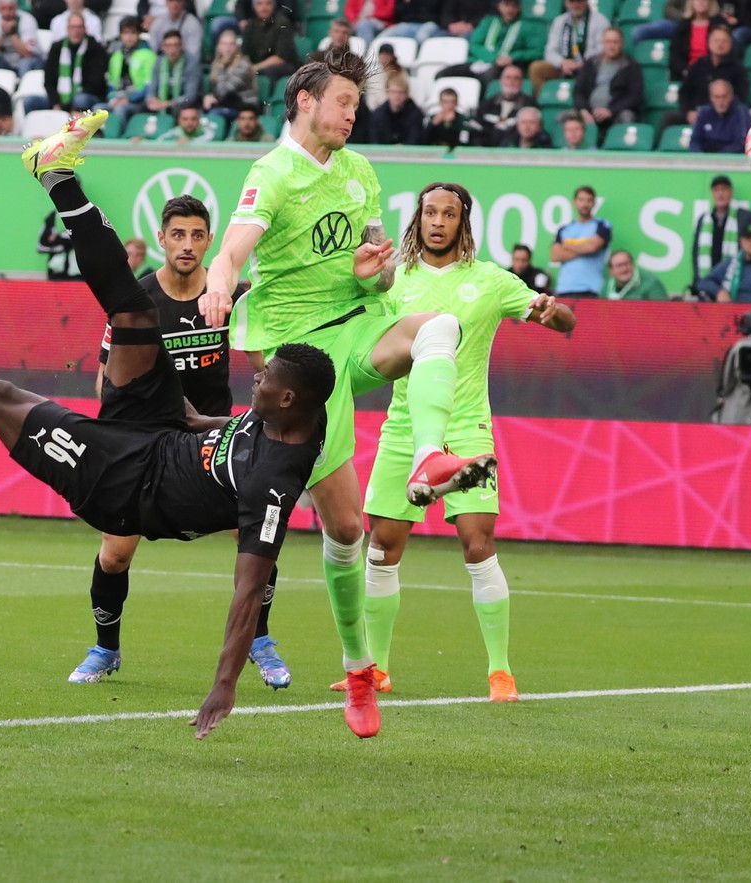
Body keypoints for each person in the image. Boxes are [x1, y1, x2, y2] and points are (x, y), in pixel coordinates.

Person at [0, 125, 335, 742]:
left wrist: (223, 684)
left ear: (289, 399)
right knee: (133, 309)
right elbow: (230, 424)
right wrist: (189, 419)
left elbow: (247, 589)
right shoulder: (302, 414)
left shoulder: (276, 482)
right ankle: (56, 174)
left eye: (266, 377)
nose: (257, 376)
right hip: (163, 427)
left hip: (122, 481)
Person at [192, 52, 501, 739]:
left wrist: (376, 275)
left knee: (438, 326)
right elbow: (236, 245)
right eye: (340, 101)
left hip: (358, 329)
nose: (351, 112)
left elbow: (376, 277)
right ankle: (360, 670)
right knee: (346, 529)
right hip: (301, 363)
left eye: (356, 103)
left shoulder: (361, 173)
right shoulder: (273, 173)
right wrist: (219, 277)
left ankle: (427, 457)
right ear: (303, 101)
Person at [346, 181, 576, 701]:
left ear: (462, 222)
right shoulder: (394, 279)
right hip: (404, 428)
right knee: (382, 549)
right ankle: (376, 669)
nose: (437, 221)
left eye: (448, 213)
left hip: (467, 428)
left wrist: (551, 311)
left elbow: (566, 322)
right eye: (430, 211)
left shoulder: (491, 281)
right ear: (418, 218)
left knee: (477, 545)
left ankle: (500, 671)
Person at [69, 193, 294, 688]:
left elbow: (267, 368)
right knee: (116, 552)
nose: (187, 245)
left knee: (255, 539)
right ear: (162, 239)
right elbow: (106, 380)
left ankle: (260, 641)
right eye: (178, 235)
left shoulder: (231, 295)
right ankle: (105, 649)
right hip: (147, 440)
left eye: (197, 235)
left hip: (216, 438)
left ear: (210, 241)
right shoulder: (138, 300)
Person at [439, 0, 546, 86]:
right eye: (506, 5)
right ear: (500, 6)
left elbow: (537, 51)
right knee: (443, 74)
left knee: (487, 78)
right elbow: (474, 44)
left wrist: (513, 57)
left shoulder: (526, 27)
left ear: (519, 8)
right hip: (481, 62)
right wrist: (494, 58)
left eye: (513, 6)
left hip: (506, 66)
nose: (510, 9)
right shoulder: (488, 22)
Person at [672, 24, 749, 128]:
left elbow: (741, 98)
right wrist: (688, 112)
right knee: (668, 118)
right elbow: (684, 92)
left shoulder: (738, 69)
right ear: (709, 43)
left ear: (731, 44)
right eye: (716, 40)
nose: (720, 44)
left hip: (723, 115)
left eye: (724, 41)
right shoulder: (699, 64)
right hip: (696, 112)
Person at [573, 27, 644, 136]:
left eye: (615, 42)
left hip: (615, 113)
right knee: (564, 117)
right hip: (589, 112)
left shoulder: (631, 66)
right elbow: (578, 91)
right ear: (603, 43)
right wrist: (583, 110)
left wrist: (610, 111)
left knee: (627, 116)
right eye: (608, 42)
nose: (611, 46)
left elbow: (635, 97)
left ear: (622, 44)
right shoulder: (591, 63)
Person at [530, 0, 609, 94]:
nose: (575, 5)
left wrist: (581, 64)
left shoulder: (600, 21)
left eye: (579, 2)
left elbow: (603, 50)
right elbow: (550, 51)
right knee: (536, 69)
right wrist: (562, 62)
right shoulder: (559, 21)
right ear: (566, 3)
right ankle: (544, 103)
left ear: (586, 2)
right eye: (571, 2)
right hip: (563, 67)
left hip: (588, 67)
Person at [37, 13, 109, 114]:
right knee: (31, 101)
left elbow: (95, 84)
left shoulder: (95, 49)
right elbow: (49, 80)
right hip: (59, 99)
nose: (76, 31)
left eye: (79, 27)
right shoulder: (56, 48)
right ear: (67, 29)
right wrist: (56, 103)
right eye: (73, 27)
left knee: (81, 100)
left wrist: (66, 105)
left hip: (87, 97)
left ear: (85, 29)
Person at [550, 185, 611, 298]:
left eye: (589, 200)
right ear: (574, 202)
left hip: (591, 288)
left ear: (594, 203)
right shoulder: (564, 230)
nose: (585, 204)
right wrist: (584, 248)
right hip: (564, 289)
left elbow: (592, 247)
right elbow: (555, 255)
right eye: (581, 200)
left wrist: (567, 245)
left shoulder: (602, 225)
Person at [470, 63, 538, 146]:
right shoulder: (487, 104)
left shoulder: (530, 105)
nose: (511, 81)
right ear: (501, 80)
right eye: (508, 77)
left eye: (516, 78)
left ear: (521, 82)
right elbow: (476, 129)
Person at [103, 17, 156, 119]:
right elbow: (111, 84)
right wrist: (112, 99)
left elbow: (149, 86)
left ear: (139, 34)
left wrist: (130, 100)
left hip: (139, 101)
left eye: (133, 33)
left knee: (121, 110)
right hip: (119, 98)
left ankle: (117, 135)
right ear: (120, 35)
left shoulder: (148, 55)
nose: (129, 37)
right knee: (97, 109)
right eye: (126, 33)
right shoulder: (116, 56)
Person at [691, 174, 739, 289]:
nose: (720, 194)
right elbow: (696, 253)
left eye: (724, 189)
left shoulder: (741, 217)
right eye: (716, 190)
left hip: (734, 282)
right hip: (707, 282)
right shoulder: (703, 219)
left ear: (731, 192)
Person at [242, 0, 300, 92]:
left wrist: (255, 67)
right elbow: (244, 54)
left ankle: (271, 102)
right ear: (254, 7)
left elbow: (280, 58)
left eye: (268, 3)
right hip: (259, 66)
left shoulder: (283, 23)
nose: (264, 8)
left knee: (270, 71)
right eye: (260, 4)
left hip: (285, 67)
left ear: (273, 6)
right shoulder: (250, 26)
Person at [144, 31, 202, 118]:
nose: (172, 49)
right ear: (163, 47)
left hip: (186, 106)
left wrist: (168, 104)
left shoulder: (192, 63)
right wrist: (151, 99)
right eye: (168, 45)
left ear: (182, 46)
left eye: (176, 45)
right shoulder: (159, 62)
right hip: (162, 104)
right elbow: (152, 86)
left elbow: (190, 96)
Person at [0, 0, 45, 76]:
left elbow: (28, 53)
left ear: (16, 7)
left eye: (10, 8)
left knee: (25, 63)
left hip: (30, 60)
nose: (7, 13)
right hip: (4, 61)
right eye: (3, 8)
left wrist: (12, 33)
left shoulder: (27, 20)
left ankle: (22, 87)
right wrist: (2, 34)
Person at [689, 77, 751, 153]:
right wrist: (700, 157)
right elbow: (695, 141)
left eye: (724, 97)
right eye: (717, 97)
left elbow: (740, 144)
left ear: (731, 96)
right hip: (706, 160)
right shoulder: (704, 112)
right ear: (711, 97)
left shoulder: (741, 112)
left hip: (731, 160)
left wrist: (716, 158)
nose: (720, 102)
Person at [670, 0, 728, 81]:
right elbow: (675, 56)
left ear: (710, 2)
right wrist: (685, 71)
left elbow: (726, 53)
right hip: (687, 75)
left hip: (713, 74)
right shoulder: (683, 25)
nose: (701, 2)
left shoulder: (719, 23)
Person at [368, 73, 425, 144]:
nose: (397, 96)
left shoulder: (416, 114)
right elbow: (374, 141)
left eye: (401, 92)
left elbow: (415, 140)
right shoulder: (378, 114)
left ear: (406, 94)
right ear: (387, 92)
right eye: (393, 92)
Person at [146, 0, 204, 68]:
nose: (175, 4)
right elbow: (153, 49)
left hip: (185, 66)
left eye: (178, 1)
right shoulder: (158, 23)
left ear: (183, 2)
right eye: (171, 1)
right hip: (162, 65)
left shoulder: (193, 24)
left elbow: (194, 54)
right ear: (166, 2)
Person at [604, 249, 670, 300]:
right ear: (611, 271)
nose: (624, 269)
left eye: (627, 263)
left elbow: (663, 312)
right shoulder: (608, 286)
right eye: (619, 265)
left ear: (632, 264)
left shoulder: (651, 284)